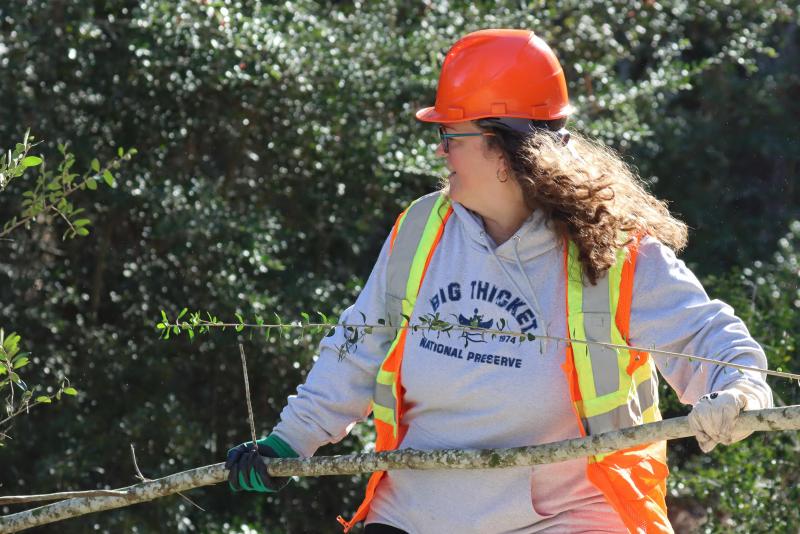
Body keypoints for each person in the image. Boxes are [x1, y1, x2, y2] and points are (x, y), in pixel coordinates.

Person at [225, 29, 773, 533]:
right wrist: (289, 441)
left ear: (508, 151)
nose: (440, 150)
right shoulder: (420, 230)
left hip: (568, 517)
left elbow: (710, 338)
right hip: (417, 513)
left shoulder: (614, 251)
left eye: (450, 134)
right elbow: (357, 347)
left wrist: (740, 392)